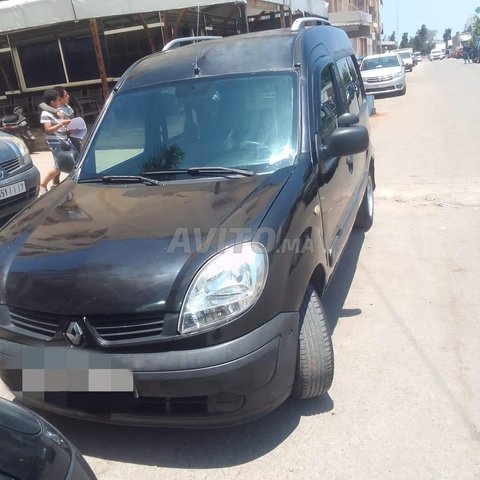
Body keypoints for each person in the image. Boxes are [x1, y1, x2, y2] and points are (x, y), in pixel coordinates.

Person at [39, 86, 79, 185]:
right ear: (53, 102)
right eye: (58, 100)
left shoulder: (59, 111)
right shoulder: (46, 113)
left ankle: (56, 183)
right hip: (56, 142)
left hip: (64, 141)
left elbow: (61, 127)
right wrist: (61, 123)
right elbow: (48, 130)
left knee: (65, 163)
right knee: (59, 166)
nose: (60, 102)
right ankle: (43, 185)